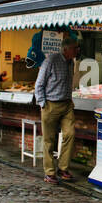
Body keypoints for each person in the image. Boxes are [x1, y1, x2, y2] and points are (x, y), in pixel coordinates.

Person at [34, 36, 79, 184]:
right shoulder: (51, 61)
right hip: (51, 104)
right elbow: (39, 84)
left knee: (70, 134)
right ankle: (49, 172)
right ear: (66, 49)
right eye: (74, 48)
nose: (77, 50)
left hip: (66, 104)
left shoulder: (71, 62)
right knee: (49, 140)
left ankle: (63, 168)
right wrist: (42, 103)